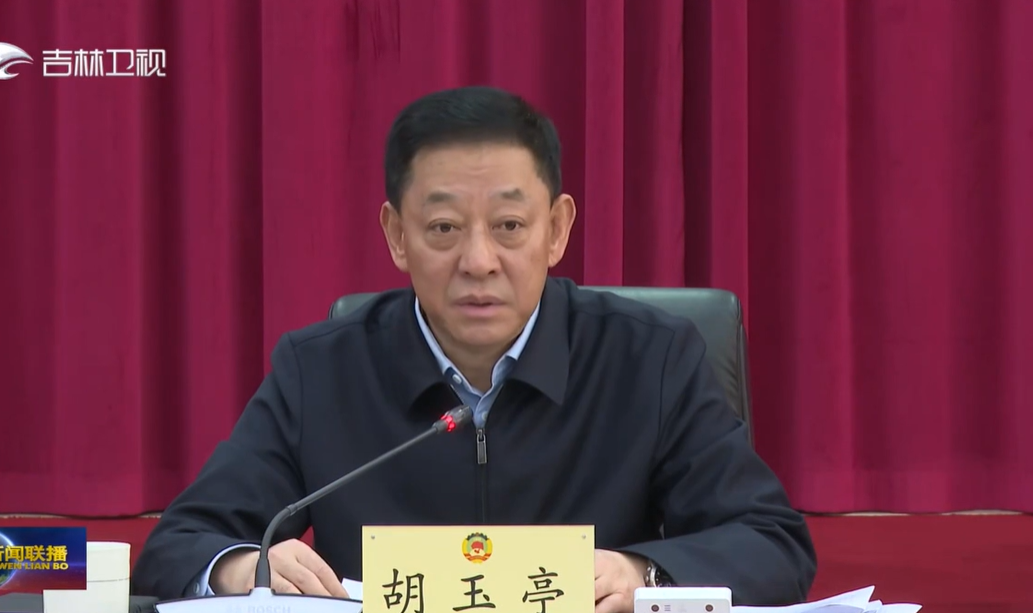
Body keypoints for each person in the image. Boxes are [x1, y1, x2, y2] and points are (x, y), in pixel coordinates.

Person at [131, 86, 816, 610]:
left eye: (510, 225)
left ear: (557, 229)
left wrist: (644, 573)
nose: (479, 261)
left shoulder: (650, 360)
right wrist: (242, 567)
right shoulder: (320, 371)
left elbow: (770, 543)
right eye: (444, 228)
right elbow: (178, 547)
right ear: (397, 236)